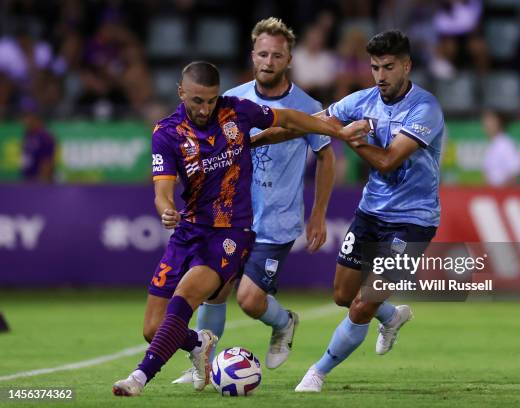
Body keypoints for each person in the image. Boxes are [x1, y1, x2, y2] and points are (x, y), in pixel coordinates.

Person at [112, 61, 368, 397]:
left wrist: (337, 131)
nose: (205, 108)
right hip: (188, 232)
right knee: (154, 329)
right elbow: (162, 192)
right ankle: (198, 342)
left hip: (230, 234)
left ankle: (138, 377)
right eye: (197, 101)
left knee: (186, 298)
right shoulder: (166, 133)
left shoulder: (237, 112)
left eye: (211, 100)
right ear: (181, 93)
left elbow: (289, 119)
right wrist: (167, 211)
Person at [172, 17, 335, 384]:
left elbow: (326, 154)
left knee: (248, 299)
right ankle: (201, 365)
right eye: (262, 54)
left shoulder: (307, 106)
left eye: (277, 55)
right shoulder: (232, 100)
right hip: (230, 216)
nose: (268, 61)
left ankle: (284, 322)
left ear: (289, 58)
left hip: (276, 220)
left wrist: (319, 213)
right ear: (252, 56)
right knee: (214, 291)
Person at [292, 30, 446, 392]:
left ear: (406, 66)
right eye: (375, 67)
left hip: (413, 221)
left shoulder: (426, 108)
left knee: (361, 305)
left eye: (389, 67)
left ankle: (317, 372)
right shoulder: (362, 100)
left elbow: (390, 160)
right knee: (343, 296)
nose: (381, 75)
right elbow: (319, 121)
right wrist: (262, 133)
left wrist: (348, 136)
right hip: (370, 212)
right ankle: (392, 317)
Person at [481, 110, 520, 187]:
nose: (486, 125)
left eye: (490, 122)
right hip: (493, 194)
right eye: (485, 122)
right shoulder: (492, 145)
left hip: (504, 194)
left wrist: (502, 191)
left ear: (498, 123)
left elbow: (515, 171)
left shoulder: (505, 144)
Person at [21, 105, 56, 183]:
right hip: (28, 179)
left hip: (37, 182)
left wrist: (41, 184)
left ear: (36, 119)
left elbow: (47, 162)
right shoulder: (28, 134)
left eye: (27, 117)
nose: (24, 120)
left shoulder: (45, 137)